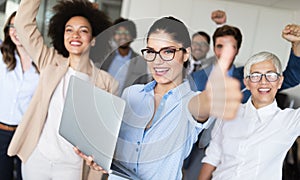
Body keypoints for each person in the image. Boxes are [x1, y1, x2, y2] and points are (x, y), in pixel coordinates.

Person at [75, 16, 243, 180]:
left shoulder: (190, 101)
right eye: (151, 52)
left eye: (168, 52)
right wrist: (100, 159)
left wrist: (213, 95)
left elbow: (201, 107)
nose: (158, 61)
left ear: (186, 54)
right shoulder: (131, 94)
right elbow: (118, 151)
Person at [7, 0, 118, 179]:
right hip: (37, 158)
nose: (75, 35)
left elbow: (102, 141)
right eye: (69, 30)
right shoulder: (50, 61)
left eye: (83, 31)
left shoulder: (107, 83)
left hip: (72, 166)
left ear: (94, 39)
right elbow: (22, 23)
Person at [184, 24, 300, 180]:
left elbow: (292, 76)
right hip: (199, 148)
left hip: (245, 150)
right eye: (220, 46)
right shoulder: (197, 79)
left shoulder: (252, 76)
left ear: (237, 49)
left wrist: (297, 45)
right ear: (214, 48)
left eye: (230, 47)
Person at [0, 11, 39, 180]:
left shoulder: (41, 64)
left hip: (27, 134)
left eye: (21, 26)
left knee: (26, 176)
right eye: (12, 26)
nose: (15, 31)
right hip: (1, 132)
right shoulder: (2, 57)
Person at [92, 17, 149, 94]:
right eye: (119, 33)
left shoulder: (140, 62)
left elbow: (142, 87)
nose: (123, 36)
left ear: (133, 36)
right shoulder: (104, 56)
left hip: (125, 103)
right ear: (114, 36)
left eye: (126, 33)